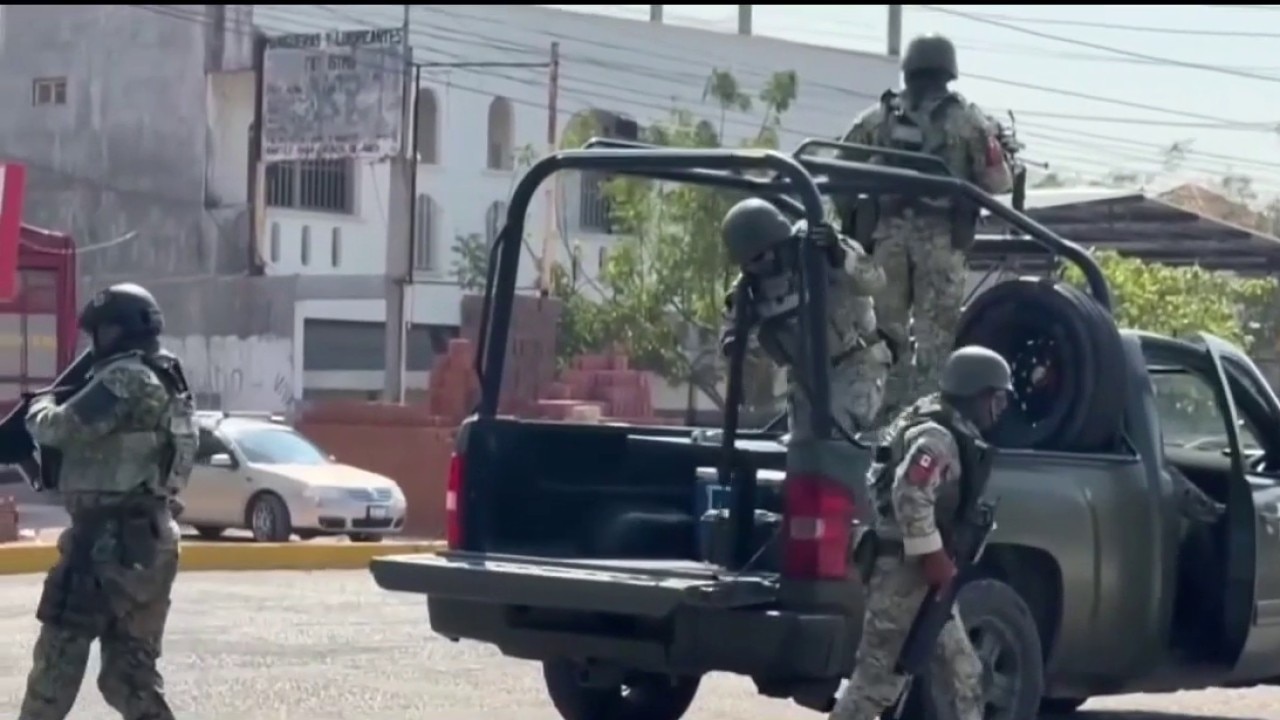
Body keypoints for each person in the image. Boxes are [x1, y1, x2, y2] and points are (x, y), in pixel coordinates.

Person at [19, 283, 197, 720]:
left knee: (54, 673)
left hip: (103, 542)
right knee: (128, 676)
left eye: (101, 331)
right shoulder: (168, 376)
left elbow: (61, 427)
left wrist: (38, 407)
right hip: (150, 541)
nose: (96, 341)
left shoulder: (126, 377)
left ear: (119, 331)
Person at [836, 33, 1014, 424]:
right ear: (948, 70)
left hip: (886, 240)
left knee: (884, 335)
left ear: (909, 69)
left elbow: (839, 167)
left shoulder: (878, 117)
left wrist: (854, 221)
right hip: (940, 242)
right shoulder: (968, 120)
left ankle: (881, 418)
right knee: (936, 341)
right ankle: (927, 420)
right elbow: (999, 180)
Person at [831, 345, 1012, 720]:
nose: (1000, 409)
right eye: (996, 399)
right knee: (875, 685)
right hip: (902, 575)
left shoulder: (949, 429)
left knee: (964, 675)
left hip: (926, 580)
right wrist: (933, 555)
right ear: (975, 393)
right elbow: (909, 492)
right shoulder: (937, 438)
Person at [719, 197, 892, 440]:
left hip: (857, 366)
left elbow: (876, 281)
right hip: (805, 379)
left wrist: (838, 254)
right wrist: (734, 350)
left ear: (776, 243)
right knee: (803, 447)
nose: (755, 268)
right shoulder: (751, 289)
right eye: (747, 263)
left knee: (832, 438)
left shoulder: (816, 249)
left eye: (759, 258)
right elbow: (731, 328)